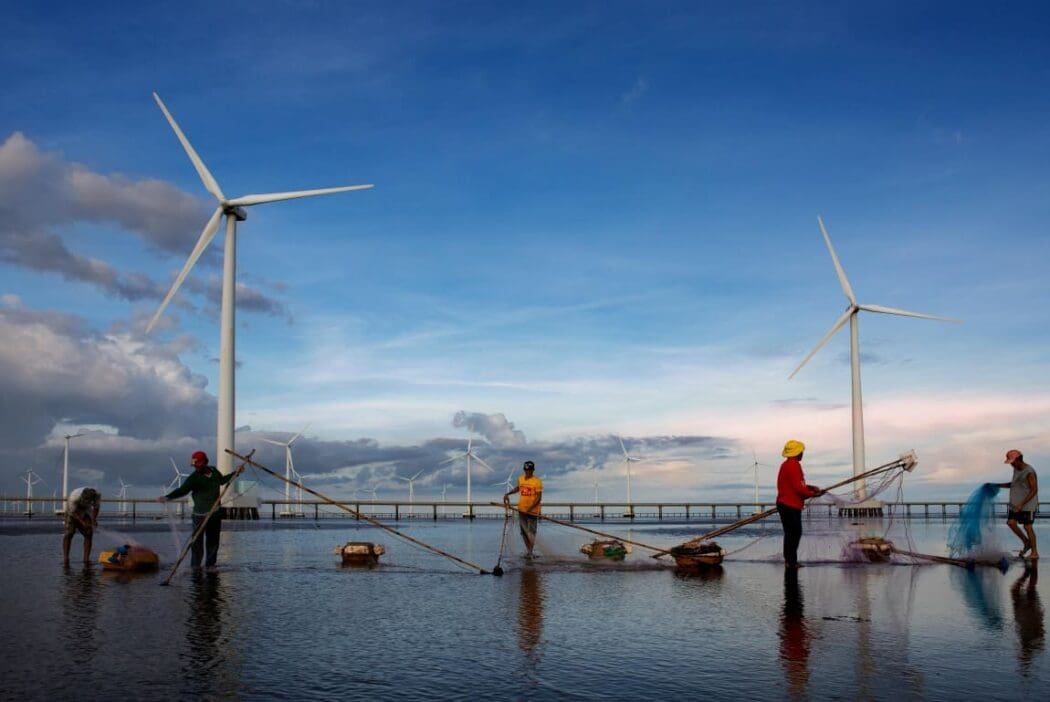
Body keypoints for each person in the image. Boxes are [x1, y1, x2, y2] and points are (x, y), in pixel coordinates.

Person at [158, 451, 240, 569]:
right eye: (195, 465)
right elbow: (182, 490)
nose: (196, 467)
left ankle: (210, 566)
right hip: (200, 515)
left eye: (198, 465)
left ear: (205, 463)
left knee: (213, 542)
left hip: (215, 513)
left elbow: (222, 480)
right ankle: (195, 567)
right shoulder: (194, 478)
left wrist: (235, 473)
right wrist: (168, 497)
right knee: (197, 543)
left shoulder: (214, 471)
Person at [776, 440, 823, 568]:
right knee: (794, 533)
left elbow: (797, 485)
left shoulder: (786, 464)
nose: (802, 453)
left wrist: (811, 487)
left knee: (791, 533)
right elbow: (798, 488)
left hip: (786, 504)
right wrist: (813, 494)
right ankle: (791, 562)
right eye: (801, 451)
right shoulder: (794, 465)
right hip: (789, 505)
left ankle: (790, 561)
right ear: (797, 453)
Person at [998, 449, 1039, 560]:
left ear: (1018, 459)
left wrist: (1022, 504)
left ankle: (1035, 552)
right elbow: (1014, 484)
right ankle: (1026, 542)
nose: (1011, 464)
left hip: (1027, 504)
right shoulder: (1016, 470)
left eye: (1012, 461)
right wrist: (998, 485)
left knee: (1027, 526)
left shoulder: (1029, 471)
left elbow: (1034, 489)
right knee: (1011, 523)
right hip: (1015, 504)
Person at [504, 460, 543, 558]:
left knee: (532, 532)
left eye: (529, 470)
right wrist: (508, 493)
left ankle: (530, 551)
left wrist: (530, 508)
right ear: (524, 470)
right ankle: (529, 551)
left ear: (533, 470)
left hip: (533, 511)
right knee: (524, 532)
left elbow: (538, 497)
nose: (527, 472)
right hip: (521, 510)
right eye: (526, 470)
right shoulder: (520, 479)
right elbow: (518, 488)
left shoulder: (537, 481)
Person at [63, 486, 100, 565]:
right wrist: (82, 523)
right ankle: (66, 558)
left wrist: (93, 520)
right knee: (69, 533)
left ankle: (86, 559)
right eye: (85, 499)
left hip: (86, 510)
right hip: (73, 512)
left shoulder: (97, 495)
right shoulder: (74, 497)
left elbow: (96, 508)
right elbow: (73, 513)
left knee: (89, 533)